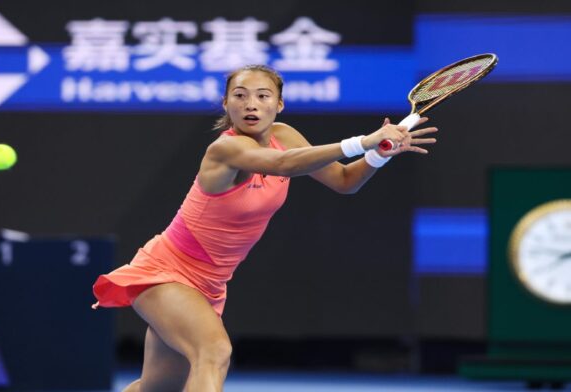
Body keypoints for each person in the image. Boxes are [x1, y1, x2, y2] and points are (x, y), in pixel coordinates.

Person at [91, 64, 437, 392]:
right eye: (240, 96)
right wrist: (363, 141)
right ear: (226, 103)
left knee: (159, 388)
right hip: (166, 271)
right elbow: (283, 165)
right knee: (214, 352)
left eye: (262, 95)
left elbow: (345, 180)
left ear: (279, 104)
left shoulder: (284, 136)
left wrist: (379, 154)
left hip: (210, 284)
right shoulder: (225, 148)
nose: (251, 104)